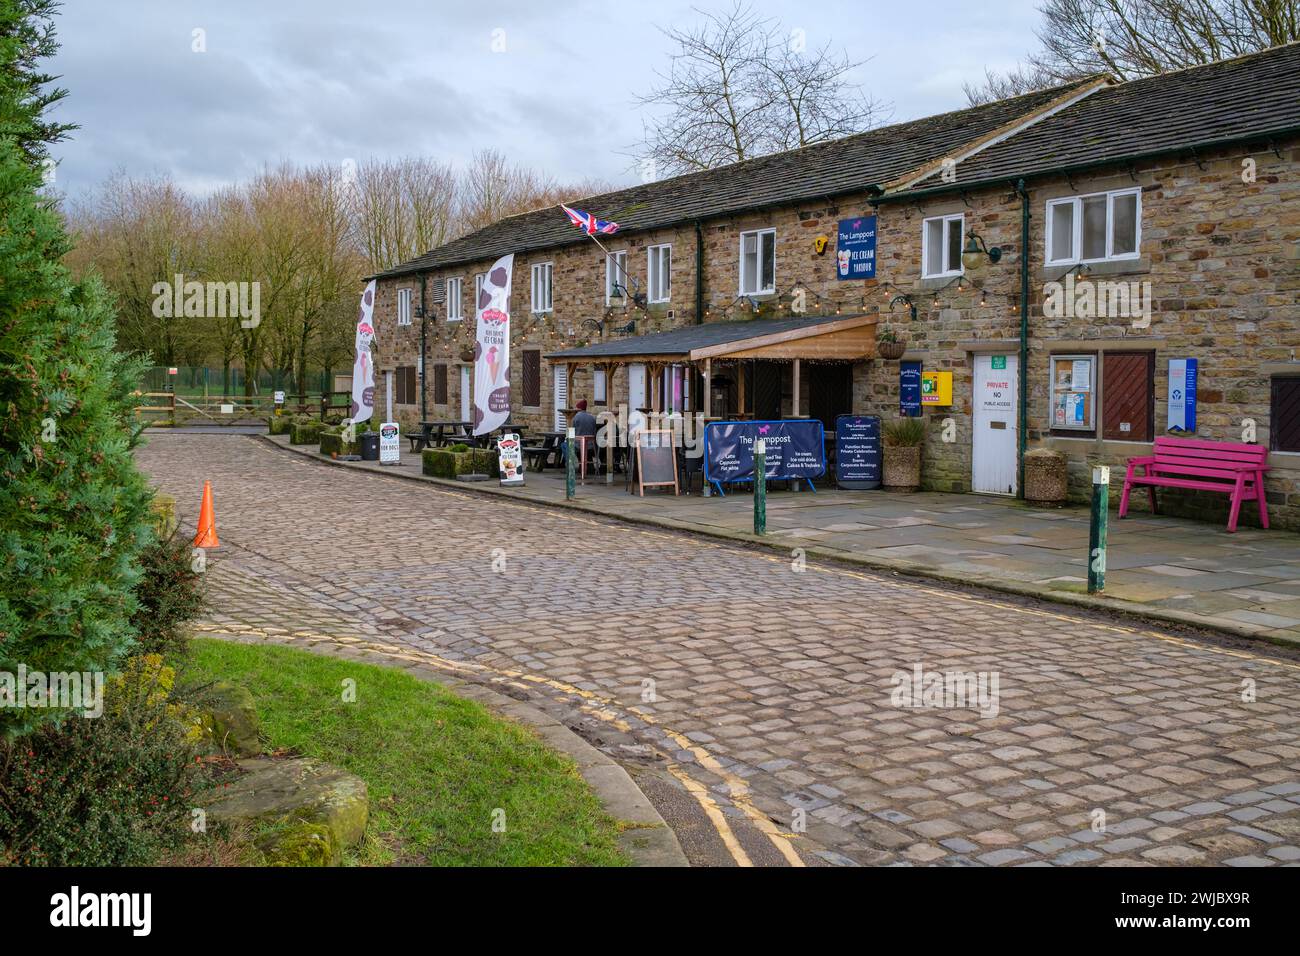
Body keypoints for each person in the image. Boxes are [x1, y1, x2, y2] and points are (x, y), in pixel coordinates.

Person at [570, 399, 598, 475]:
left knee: (564, 446)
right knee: (584, 445)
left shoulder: (575, 417)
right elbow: (594, 432)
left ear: (579, 408)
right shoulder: (592, 418)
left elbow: (571, 433)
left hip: (579, 446)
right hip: (591, 445)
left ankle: (570, 467)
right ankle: (587, 464)